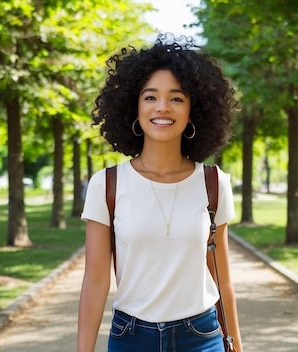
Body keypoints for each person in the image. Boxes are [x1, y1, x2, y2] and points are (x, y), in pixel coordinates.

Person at [78, 33, 243, 352]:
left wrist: (236, 345)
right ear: (134, 107)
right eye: (150, 97)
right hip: (131, 338)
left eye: (176, 98)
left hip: (202, 337)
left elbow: (223, 279)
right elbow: (95, 282)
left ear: (194, 109)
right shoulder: (107, 185)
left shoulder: (214, 183)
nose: (162, 107)